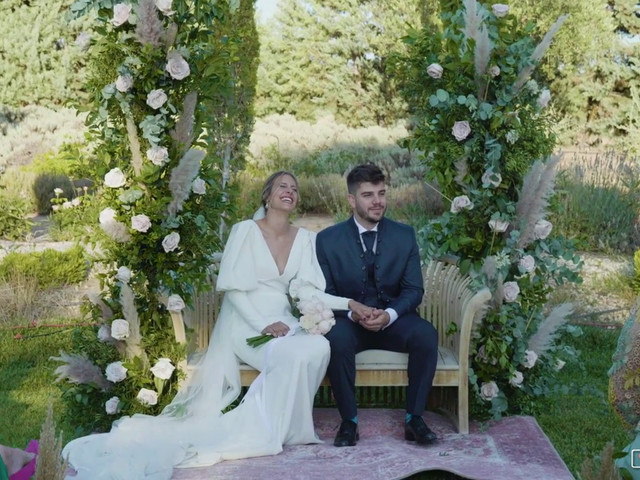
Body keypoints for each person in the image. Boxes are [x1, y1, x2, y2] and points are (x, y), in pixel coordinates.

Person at [62, 171, 369, 479]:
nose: (289, 191)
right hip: (246, 323)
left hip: (282, 322)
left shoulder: (305, 239)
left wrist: (349, 305)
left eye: (294, 188)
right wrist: (263, 324)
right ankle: (270, 429)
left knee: (316, 345)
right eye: (282, 187)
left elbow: (308, 291)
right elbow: (234, 289)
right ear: (267, 195)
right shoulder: (245, 231)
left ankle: (284, 428)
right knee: (294, 354)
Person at [316, 163, 439, 447]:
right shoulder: (326, 240)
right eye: (368, 195)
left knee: (425, 334)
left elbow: (413, 289)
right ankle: (349, 422)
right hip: (350, 322)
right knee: (336, 339)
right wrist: (352, 312)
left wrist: (390, 314)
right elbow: (326, 292)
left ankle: (414, 420)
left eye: (381, 193)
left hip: (392, 320)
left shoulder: (404, 235)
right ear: (351, 200)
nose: (377, 201)